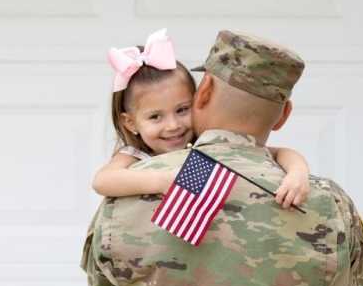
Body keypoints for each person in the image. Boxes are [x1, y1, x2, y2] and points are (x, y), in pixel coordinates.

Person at [81, 30, 363, 286]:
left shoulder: (133, 188)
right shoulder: (326, 204)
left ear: (202, 94)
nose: (172, 123)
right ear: (284, 115)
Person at [92, 28, 311, 211]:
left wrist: (297, 174)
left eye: (182, 109)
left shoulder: (203, 143)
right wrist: (164, 180)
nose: (173, 125)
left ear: (198, 98)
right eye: (155, 116)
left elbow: (281, 153)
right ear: (130, 123)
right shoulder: (134, 155)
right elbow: (102, 181)